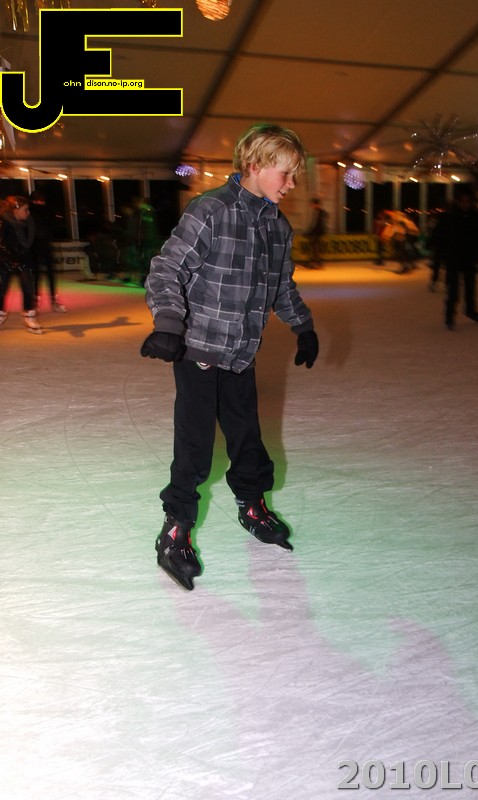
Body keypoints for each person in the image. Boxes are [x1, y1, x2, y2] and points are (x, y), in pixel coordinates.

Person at [141, 122, 319, 591]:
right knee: (196, 446)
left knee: (247, 439)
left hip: (241, 352)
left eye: (295, 175)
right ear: (255, 165)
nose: (291, 184)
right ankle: (175, 530)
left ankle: (253, 506)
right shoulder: (211, 211)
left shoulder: (277, 226)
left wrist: (302, 325)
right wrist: (168, 323)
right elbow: (166, 270)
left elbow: (280, 286)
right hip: (199, 349)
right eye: (285, 173)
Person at [434, 189, 478, 330]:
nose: (465, 204)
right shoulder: (449, 217)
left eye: (467, 202)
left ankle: (470, 310)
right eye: (462, 201)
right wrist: (440, 252)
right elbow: (439, 234)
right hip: (453, 257)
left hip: (469, 256)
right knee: (453, 288)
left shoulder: (476, 216)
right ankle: (449, 316)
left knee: (470, 286)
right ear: (457, 202)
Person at [0, 196, 43, 334]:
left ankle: (29, 316)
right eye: (26, 210)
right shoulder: (3, 223)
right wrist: (10, 258)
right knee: (2, 288)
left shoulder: (29, 223)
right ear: (16, 210)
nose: (28, 213)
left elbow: (33, 242)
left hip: (24, 258)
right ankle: (0, 313)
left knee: (28, 287)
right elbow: (2, 243)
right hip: (6, 259)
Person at [28, 191, 67, 312]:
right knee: (38, 273)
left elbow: (54, 226)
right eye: (38, 200)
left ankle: (46, 300)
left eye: (42, 200)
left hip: (41, 243)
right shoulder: (33, 211)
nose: (41, 203)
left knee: (44, 273)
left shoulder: (43, 211)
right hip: (36, 244)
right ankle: (39, 300)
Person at [306, 196, 328, 269]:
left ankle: (316, 262)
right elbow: (315, 223)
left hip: (318, 233)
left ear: (316, 204)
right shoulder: (318, 212)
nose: (312, 206)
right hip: (316, 232)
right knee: (314, 247)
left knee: (315, 248)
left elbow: (319, 224)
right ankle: (316, 262)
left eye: (312, 204)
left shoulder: (320, 212)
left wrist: (312, 232)